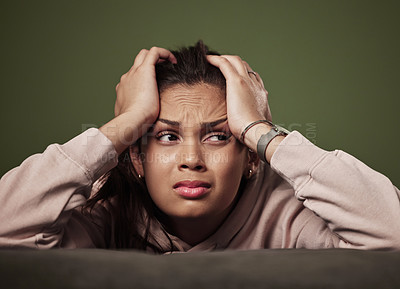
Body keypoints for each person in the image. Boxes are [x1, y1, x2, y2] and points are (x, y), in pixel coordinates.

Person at [0, 41, 399, 252]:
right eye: (167, 137)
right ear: (137, 157)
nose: (191, 160)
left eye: (218, 136)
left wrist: (261, 131)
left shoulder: (288, 215)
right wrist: (122, 127)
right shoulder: (107, 212)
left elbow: (392, 234)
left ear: (251, 160)